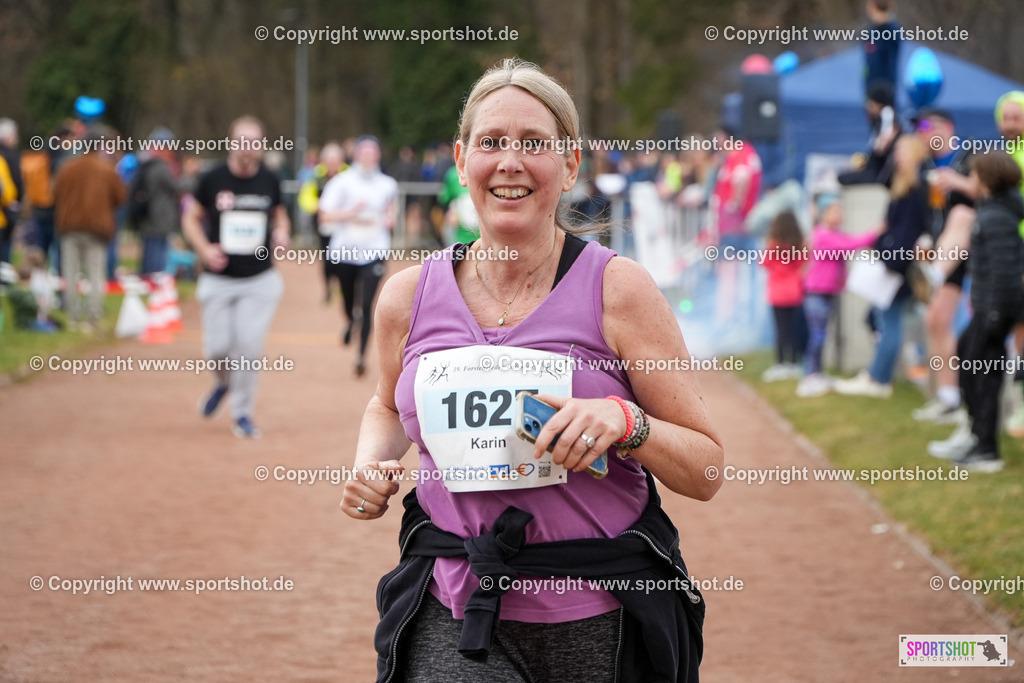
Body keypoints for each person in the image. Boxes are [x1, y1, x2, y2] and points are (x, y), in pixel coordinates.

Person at [341, 58, 722, 683]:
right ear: (462, 161)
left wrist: (628, 421)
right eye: (492, 143)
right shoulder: (406, 297)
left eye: (534, 144)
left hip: (601, 613)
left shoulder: (619, 291)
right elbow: (387, 405)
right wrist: (369, 465)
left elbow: (705, 469)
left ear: (570, 164)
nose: (510, 162)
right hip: (457, 608)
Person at [182, 115, 289, 439]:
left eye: (254, 142)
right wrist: (203, 249)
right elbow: (191, 218)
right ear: (231, 143)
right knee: (218, 348)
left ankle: (242, 413)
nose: (248, 148)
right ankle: (222, 383)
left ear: (261, 146)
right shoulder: (213, 178)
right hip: (218, 279)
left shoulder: (270, 180)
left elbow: (280, 215)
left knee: (248, 347)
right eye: (242, 141)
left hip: (259, 280)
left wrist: (282, 232)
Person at [928, 153, 1023, 471]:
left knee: (984, 375)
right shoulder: (991, 211)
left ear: (988, 179)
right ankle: (974, 433)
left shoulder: (996, 217)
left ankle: (986, 447)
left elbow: (1005, 271)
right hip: (987, 307)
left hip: (994, 310)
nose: (972, 180)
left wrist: (996, 314)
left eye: (976, 175)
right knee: (969, 362)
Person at [835, 134, 930, 398]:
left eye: (902, 151)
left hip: (897, 268)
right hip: (891, 264)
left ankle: (879, 377)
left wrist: (892, 260)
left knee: (889, 322)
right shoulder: (902, 185)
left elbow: (909, 232)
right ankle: (878, 374)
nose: (897, 156)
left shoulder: (917, 189)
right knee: (880, 318)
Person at [911, 109, 977, 424]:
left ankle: (965, 401)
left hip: (972, 251)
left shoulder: (970, 155)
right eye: (919, 128)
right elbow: (929, 216)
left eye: (928, 125)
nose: (923, 132)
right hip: (942, 252)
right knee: (935, 320)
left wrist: (959, 182)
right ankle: (948, 398)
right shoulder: (924, 166)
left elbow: (988, 192)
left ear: (947, 127)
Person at [318, 136, 397, 376]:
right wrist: (350, 213)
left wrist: (390, 218)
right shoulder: (342, 182)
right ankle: (351, 320)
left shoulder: (387, 184)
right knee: (350, 300)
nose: (368, 157)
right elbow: (324, 216)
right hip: (345, 252)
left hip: (375, 251)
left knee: (368, 303)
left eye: (373, 152)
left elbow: (391, 209)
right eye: (364, 152)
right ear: (356, 155)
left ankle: (361, 355)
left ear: (378, 156)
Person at [797, 195, 878, 397]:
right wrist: (876, 233)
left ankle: (815, 374)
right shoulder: (823, 235)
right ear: (824, 214)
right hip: (817, 293)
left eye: (840, 210)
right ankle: (810, 376)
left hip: (827, 293)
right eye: (834, 211)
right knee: (817, 336)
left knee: (821, 335)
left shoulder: (831, 233)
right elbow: (849, 245)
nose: (840, 215)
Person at [52, 130, 127, 333]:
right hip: (97, 227)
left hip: (70, 226)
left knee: (70, 271)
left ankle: (73, 317)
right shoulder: (107, 170)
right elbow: (120, 198)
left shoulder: (66, 168)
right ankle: (93, 316)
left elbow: (55, 193)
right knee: (95, 273)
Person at [760, 210, 807, 382]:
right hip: (795, 293)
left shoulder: (773, 245)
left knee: (781, 330)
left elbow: (764, 263)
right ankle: (794, 363)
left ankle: (780, 364)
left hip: (777, 294)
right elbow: (803, 264)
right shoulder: (799, 245)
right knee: (794, 330)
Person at [297, 141, 346, 303]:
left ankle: (343, 286)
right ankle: (328, 289)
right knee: (327, 259)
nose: (332, 164)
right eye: (329, 161)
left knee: (344, 257)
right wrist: (317, 207)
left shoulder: (348, 174)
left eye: (336, 160)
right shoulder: (316, 175)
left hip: (344, 224)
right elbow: (305, 197)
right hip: (323, 224)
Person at [136, 128, 186, 276]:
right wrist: (190, 176)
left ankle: (148, 278)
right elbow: (175, 186)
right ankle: (154, 280)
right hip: (159, 216)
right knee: (157, 253)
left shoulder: (146, 163)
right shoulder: (160, 166)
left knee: (150, 248)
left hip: (149, 215)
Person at [862, 0, 901, 94]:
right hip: (870, 91)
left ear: (873, 6)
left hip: (886, 92)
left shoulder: (892, 31)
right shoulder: (870, 32)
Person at [0, 118, 23, 265]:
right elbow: (7, 190)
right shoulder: (7, 157)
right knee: (5, 251)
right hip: (4, 212)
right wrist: (13, 202)